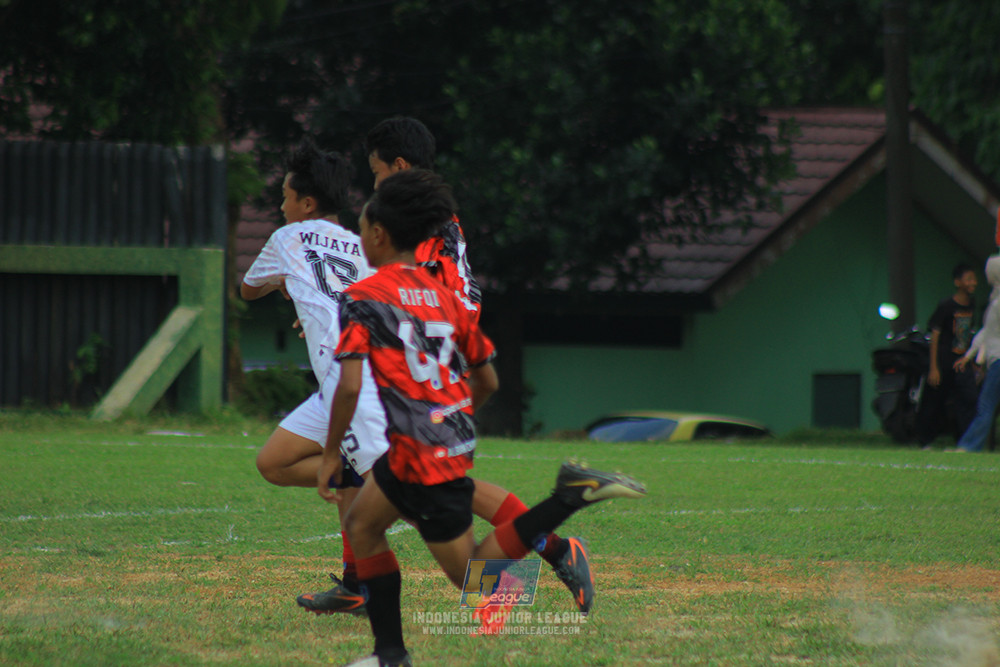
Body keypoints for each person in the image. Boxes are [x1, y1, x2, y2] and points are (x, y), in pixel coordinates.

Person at [318, 169, 647, 667]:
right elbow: (488, 380)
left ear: (379, 234)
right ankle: (389, 655)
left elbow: (348, 386)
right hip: (432, 446)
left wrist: (329, 452)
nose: (359, 237)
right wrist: (445, 413)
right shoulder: (449, 299)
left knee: (473, 575)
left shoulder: (363, 297)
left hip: (421, 457)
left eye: (361, 228)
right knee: (362, 524)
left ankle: (567, 498)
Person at [297, 117, 596, 617]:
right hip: (430, 358)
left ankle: (542, 557)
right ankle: (359, 584)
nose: (372, 186)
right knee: (333, 466)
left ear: (398, 167)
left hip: (424, 362)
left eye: (375, 173)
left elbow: (421, 296)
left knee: (422, 487)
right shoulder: (432, 220)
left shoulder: (416, 228)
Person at [242, 140, 387, 603]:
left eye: (284, 197)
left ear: (306, 203)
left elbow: (248, 290)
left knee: (427, 495)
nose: (281, 207)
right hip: (346, 375)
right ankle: (355, 585)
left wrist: (287, 282)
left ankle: (548, 548)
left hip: (359, 381)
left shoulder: (288, 238)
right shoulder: (365, 245)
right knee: (275, 462)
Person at [916, 262, 980, 449]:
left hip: (961, 361)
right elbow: (935, 335)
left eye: (974, 279)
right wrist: (933, 367)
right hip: (944, 360)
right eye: (968, 279)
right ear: (957, 282)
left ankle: (964, 442)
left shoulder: (972, 305)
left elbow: (968, 333)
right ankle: (925, 440)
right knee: (935, 401)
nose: (973, 283)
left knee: (968, 399)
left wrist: (973, 361)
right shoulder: (946, 305)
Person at [952, 256, 1000, 452]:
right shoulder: (995, 300)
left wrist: (971, 355)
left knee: (986, 405)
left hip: (998, 359)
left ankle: (969, 445)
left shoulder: (997, 303)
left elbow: (987, 332)